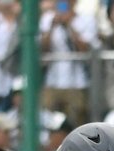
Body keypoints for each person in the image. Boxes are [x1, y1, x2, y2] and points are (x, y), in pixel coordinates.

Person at [40, 0, 101, 128]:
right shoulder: (47, 19)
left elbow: (84, 48)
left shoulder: (86, 19)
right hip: (53, 79)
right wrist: (52, 26)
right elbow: (42, 48)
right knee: (48, 117)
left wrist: (69, 25)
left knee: (76, 118)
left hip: (77, 81)